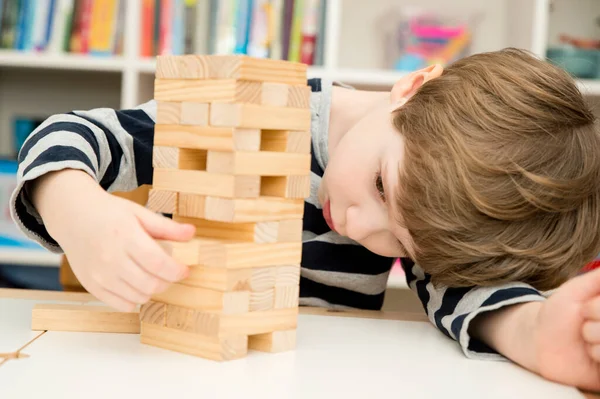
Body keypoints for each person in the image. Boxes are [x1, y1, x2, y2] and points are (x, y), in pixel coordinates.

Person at [10, 48, 600, 391]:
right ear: (412, 88)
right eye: (378, 186)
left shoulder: (432, 212)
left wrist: (538, 333)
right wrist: (77, 213)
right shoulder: (258, 110)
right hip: (155, 364)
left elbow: (468, 296)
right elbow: (74, 133)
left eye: (402, 244)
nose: (360, 227)